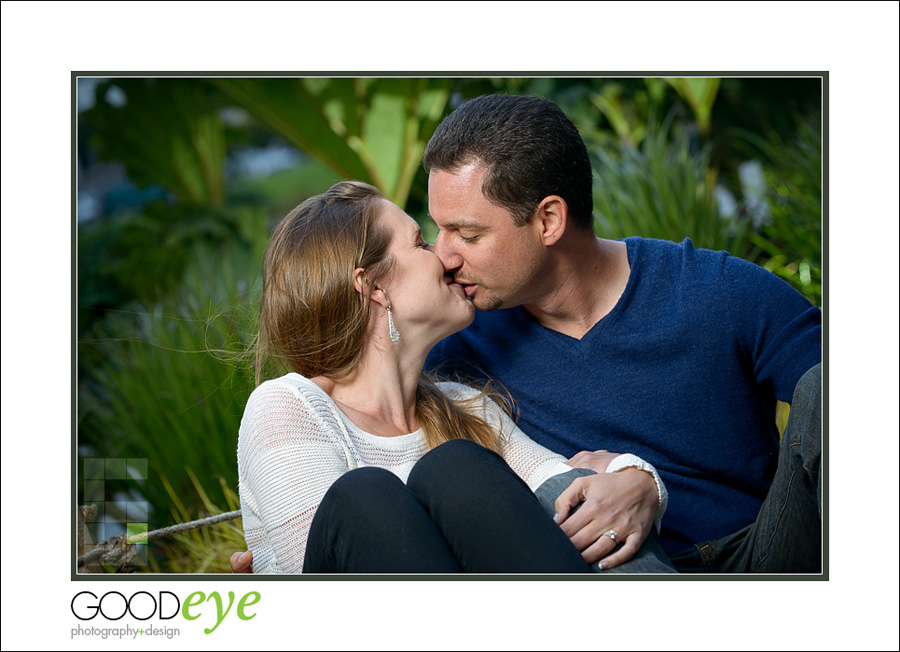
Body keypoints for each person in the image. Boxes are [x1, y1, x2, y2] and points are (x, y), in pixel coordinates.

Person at [420, 94, 822, 573]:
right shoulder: (459, 354)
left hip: (765, 554)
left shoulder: (716, 289)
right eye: (437, 230)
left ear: (549, 220)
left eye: (467, 235)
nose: (444, 256)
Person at [236, 180, 675, 574]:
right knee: (364, 497)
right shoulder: (288, 406)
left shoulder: (463, 404)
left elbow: (566, 491)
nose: (445, 256)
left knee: (454, 467)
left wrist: (638, 478)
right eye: (421, 243)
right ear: (372, 287)